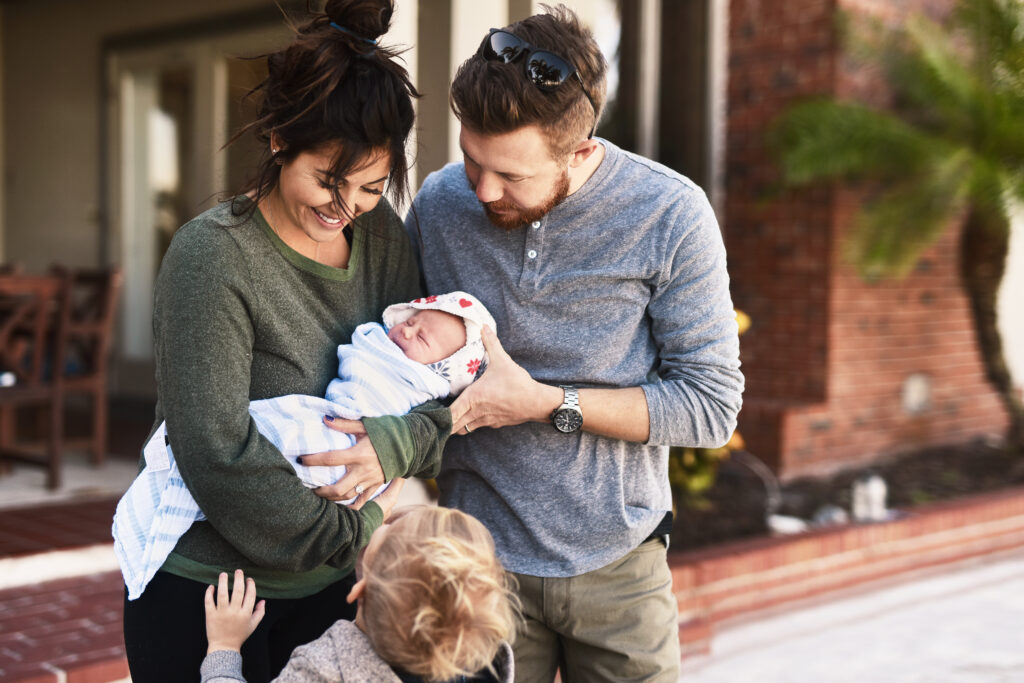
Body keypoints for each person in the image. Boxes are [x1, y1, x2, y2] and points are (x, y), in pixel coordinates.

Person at [405, 5, 744, 681]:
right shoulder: (441, 203)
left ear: (581, 151)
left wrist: (540, 402)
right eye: (473, 160)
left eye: (512, 176)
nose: (483, 189)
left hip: (620, 571)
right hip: (478, 569)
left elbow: (710, 407)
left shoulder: (670, 214)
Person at [121, 2, 453, 681]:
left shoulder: (382, 235)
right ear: (277, 139)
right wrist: (353, 531)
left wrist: (398, 445)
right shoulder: (212, 256)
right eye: (329, 180)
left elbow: (429, 390)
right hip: (209, 591)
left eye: (370, 186)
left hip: (333, 595)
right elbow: (215, 449)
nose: (346, 206)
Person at [115, 292, 495, 601]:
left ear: (439, 374)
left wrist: (396, 444)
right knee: (262, 432)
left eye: (423, 337)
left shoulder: (424, 388)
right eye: (410, 321)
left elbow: (439, 428)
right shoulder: (377, 341)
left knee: (310, 454)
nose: (408, 333)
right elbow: (215, 439)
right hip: (206, 571)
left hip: (336, 506)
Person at [200, 506, 517, 682]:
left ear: (359, 590)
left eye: (389, 532)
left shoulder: (323, 670)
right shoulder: (481, 669)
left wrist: (224, 648)